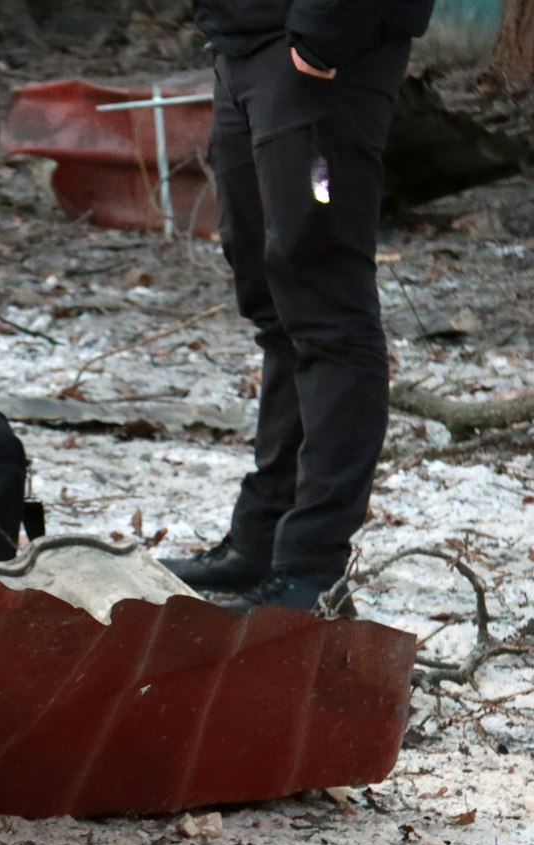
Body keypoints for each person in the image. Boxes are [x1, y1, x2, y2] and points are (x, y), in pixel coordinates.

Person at [165, 0, 434, 614]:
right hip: (243, 46)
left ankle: (311, 568)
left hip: (321, 51)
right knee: (273, 303)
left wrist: (321, 39)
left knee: (326, 311)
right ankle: (261, 542)